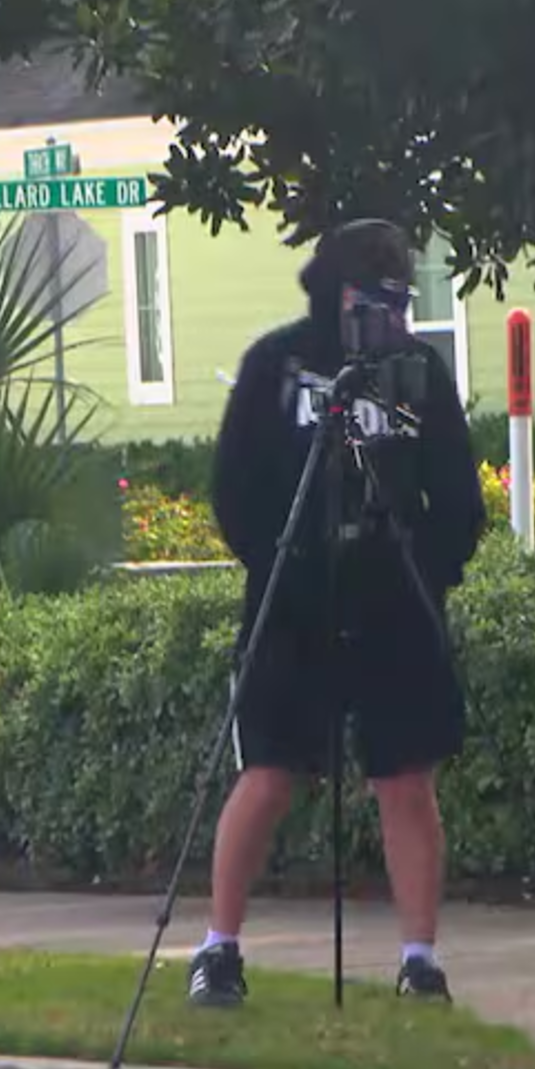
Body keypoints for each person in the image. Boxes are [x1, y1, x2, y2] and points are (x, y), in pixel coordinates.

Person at [187, 218, 485, 1010]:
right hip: (294, 600)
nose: (386, 318)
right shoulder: (276, 365)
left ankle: (420, 960)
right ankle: (219, 949)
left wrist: (431, 567)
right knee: (270, 772)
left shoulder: (418, 371)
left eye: (399, 302)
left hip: (395, 603)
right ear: (337, 293)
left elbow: (457, 492)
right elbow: (234, 487)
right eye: (372, 300)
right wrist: (277, 559)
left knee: (407, 780)